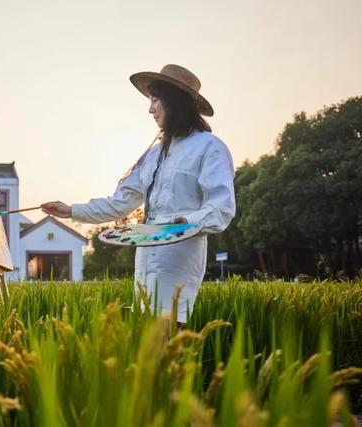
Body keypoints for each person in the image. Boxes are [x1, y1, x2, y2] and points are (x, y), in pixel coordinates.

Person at [41, 64, 236, 324]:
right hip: (145, 255)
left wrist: (183, 224)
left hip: (178, 257)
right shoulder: (153, 155)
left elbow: (221, 207)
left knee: (168, 334)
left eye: (156, 100)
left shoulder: (210, 148)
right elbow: (120, 203)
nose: (150, 109)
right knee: (144, 337)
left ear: (176, 101)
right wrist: (71, 210)